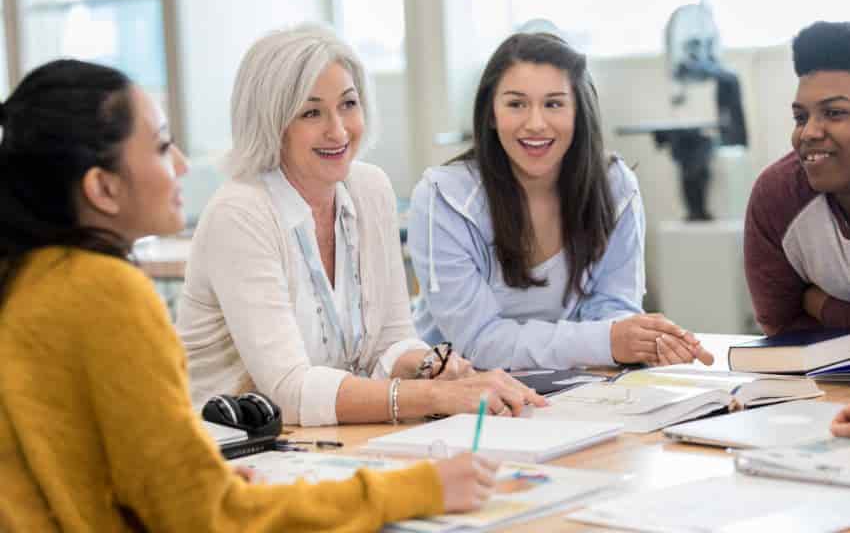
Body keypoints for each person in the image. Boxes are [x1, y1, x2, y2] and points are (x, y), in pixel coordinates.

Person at [0, 59, 499, 531]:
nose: (180, 164)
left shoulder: (30, 280)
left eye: (348, 105)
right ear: (102, 189)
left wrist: (193, 481)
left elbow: (88, 473)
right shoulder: (105, 289)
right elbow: (209, 519)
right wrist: (417, 488)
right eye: (160, 146)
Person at [176, 23, 546, 426]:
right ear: (271, 123)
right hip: (236, 448)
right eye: (311, 112)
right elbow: (290, 390)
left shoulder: (369, 188)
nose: (338, 130)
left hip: (330, 441)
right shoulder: (241, 214)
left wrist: (431, 365)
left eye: (348, 105)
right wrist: (436, 393)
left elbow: (389, 340)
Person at [408, 32, 714, 370]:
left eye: (554, 103)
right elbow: (479, 343)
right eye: (516, 104)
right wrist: (608, 341)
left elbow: (613, 311)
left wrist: (640, 339)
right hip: (454, 398)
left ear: (578, 112)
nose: (536, 123)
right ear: (491, 113)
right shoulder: (444, 199)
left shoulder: (616, 187)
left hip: (569, 389)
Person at [744, 21, 850, 335]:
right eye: (801, 117)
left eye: (834, 113)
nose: (808, 133)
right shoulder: (777, 196)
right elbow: (783, 330)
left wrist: (820, 304)